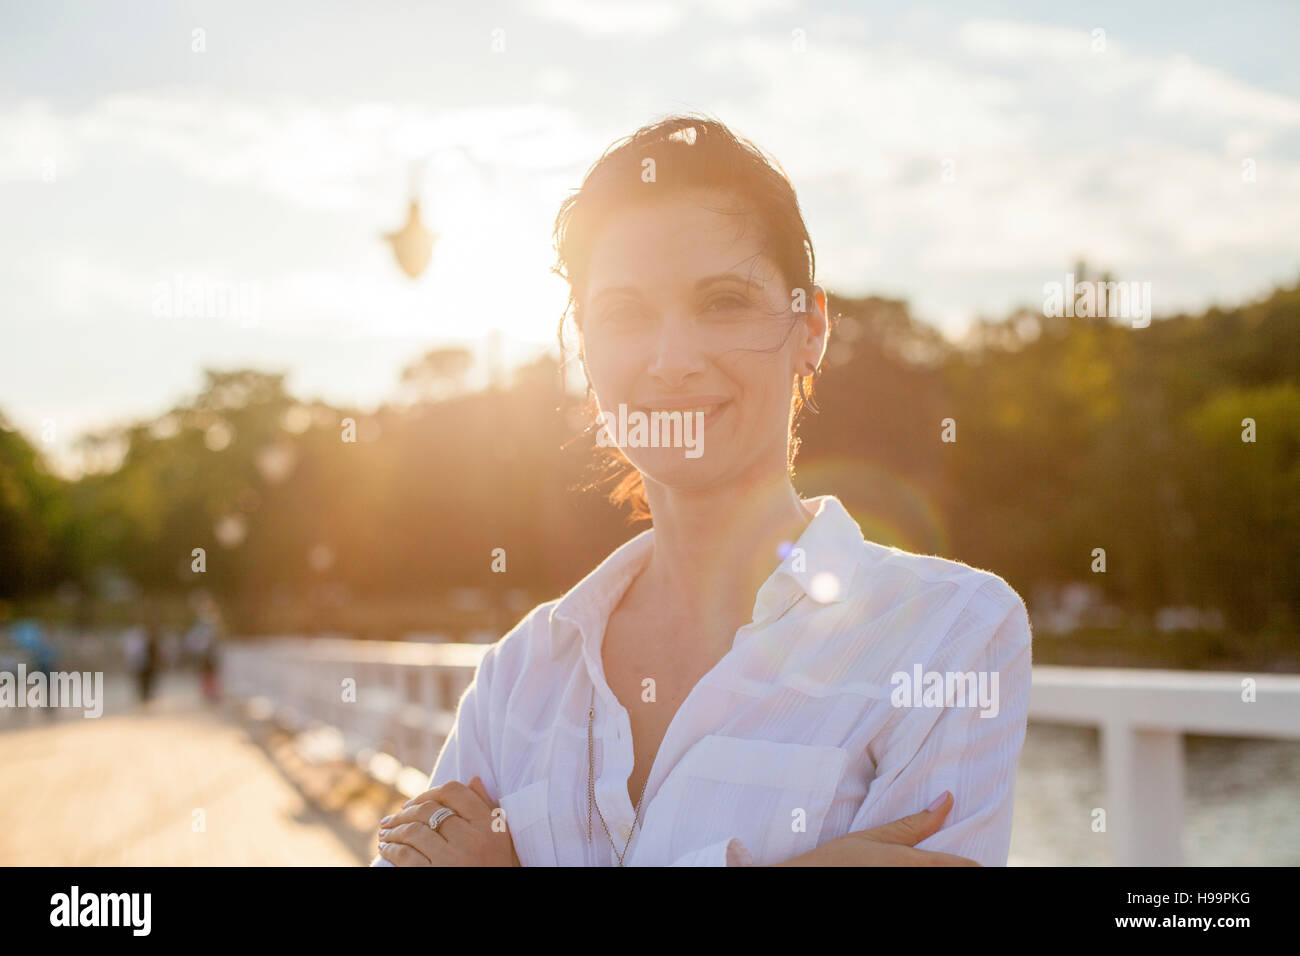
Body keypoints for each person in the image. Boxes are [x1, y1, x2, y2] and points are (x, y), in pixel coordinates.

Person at [373, 115, 1032, 867]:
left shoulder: (951, 636)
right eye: (626, 313)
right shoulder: (522, 673)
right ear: (584, 348)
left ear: (810, 328)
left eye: (723, 302)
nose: (673, 360)